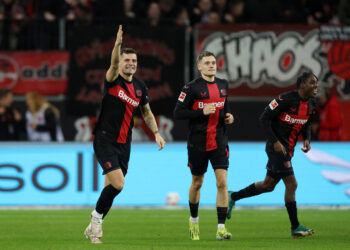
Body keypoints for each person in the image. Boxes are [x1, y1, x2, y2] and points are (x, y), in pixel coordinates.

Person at [84, 25, 166, 244]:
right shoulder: (112, 80)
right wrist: (117, 45)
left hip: (124, 143)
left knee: (110, 187)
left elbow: (146, 113)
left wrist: (156, 133)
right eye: (127, 60)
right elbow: (112, 63)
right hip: (104, 139)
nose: (131, 63)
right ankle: (96, 218)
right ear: (120, 62)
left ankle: (93, 227)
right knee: (119, 184)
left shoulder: (140, 87)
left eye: (134, 61)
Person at [227, 72, 318, 238]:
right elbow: (264, 118)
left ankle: (233, 196)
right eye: (312, 83)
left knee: (268, 185)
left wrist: (307, 139)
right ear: (302, 84)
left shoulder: (312, 103)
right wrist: (275, 141)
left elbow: (308, 123)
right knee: (292, 184)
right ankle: (295, 227)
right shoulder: (285, 99)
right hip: (276, 148)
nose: (316, 87)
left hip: (288, 150)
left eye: (316, 84)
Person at [173, 51, 234, 240]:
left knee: (222, 182)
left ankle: (221, 228)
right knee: (197, 183)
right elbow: (178, 113)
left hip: (219, 142)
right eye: (207, 63)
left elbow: (225, 108)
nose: (211, 66)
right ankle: (193, 220)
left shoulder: (223, 85)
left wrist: (229, 117)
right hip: (197, 144)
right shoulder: (190, 88)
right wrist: (201, 112)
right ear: (199, 67)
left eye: (213, 62)